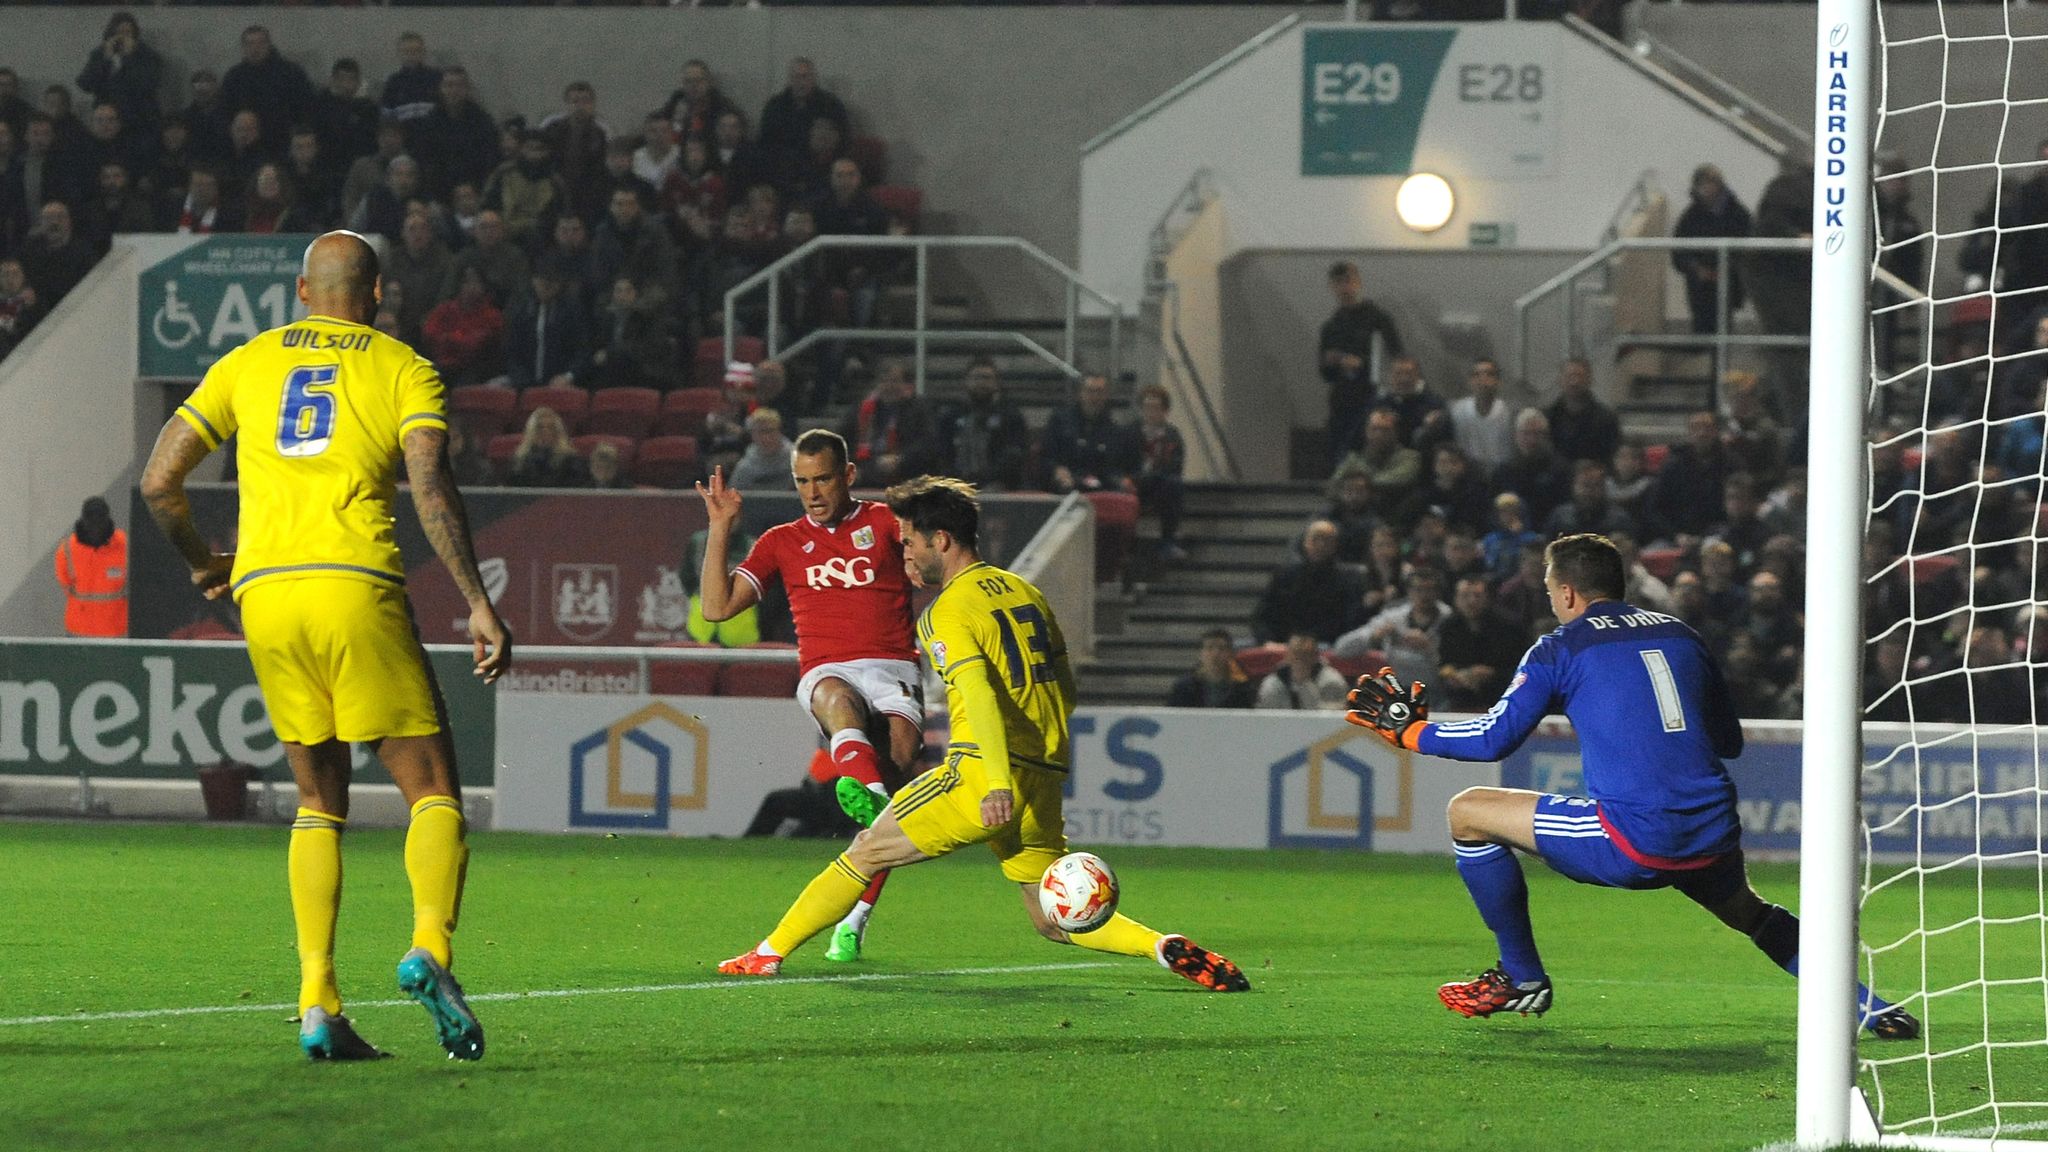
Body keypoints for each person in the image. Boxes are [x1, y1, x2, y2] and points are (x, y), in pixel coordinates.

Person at [138, 230, 510, 1062]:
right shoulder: (403, 367)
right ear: (377, 295)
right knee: (432, 785)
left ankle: (316, 1005)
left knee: (318, 798)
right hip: (353, 579)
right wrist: (479, 601)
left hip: (265, 593)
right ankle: (429, 951)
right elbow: (427, 482)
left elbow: (160, 481)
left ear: (302, 291)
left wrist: (206, 564)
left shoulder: (247, 363)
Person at [1341, 533, 1918, 1039]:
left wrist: (1411, 732)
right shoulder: (1682, 634)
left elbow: (1494, 739)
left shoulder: (1559, 647)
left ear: (1566, 593)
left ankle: (1521, 977)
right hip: (1713, 829)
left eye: (1549, 591)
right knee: (1749, 913)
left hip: (1637, 837)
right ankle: (1869, 1005)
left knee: (1467, 812)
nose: (1550, 601)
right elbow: (1729, 741)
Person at [719, 475, 1250, 992]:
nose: (902, 555)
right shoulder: (1024, 592)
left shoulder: (947, 612)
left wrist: (994, 781)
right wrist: (1044, 758)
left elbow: (977, 696)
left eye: (908, 543)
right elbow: (1062, 682)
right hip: (1039, 775)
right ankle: (1161, 946)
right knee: (1053, 918)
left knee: (865, 851)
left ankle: (766, 955)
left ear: (941, 541)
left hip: (981, 775)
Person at [695, 430, 924, 963]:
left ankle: (855, 917)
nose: (813, 492)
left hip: (895, 670)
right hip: (827, 669)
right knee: (836, 698)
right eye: (802, 482)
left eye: (823, 479)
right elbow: (716, 606)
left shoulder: (886, 524)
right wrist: (720, 527)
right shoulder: (781, 540)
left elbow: (930, 565)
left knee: (889, 812)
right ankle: (864, 782)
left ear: (847, 476)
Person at [1318, 261, 1402, 469]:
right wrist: (1335, 362)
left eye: (1347, 281)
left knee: (1370, 451)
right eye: (1338, 283)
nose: (1343, 288)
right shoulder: (1330, 326)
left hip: (1371, 394)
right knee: (1341, 453)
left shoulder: (1377, 319)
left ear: (1357, 283)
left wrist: (1361, 363)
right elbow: (1325, 373)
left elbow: (1396, 356)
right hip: (1342, 398)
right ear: (1331, 287)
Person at [1251, 519, 1364, 645]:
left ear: (1335, 545)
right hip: (1284, 644)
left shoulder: (1348, 579)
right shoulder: (1285, 575)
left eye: (1327, 540)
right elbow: (1263, 614)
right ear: (1305, 542)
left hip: (1329, 646)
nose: (1321, 545)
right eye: (1316, 539)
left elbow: (1351, 620)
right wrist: (1267, 641)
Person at [1671, 163, 1753, 335]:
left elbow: (1747, 247)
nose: (1707, 189)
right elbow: (1679, 251)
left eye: (1711, 183)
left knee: (1721, 334)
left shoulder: (1737, 214)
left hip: (1727, 283)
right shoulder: (1690, 217)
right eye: (1702, 184)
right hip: (1700, 287)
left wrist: (1728, 268)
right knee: (1702, 335)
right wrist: (1696, 268)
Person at [936, 356, 1030, 492]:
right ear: (966, 381)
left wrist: (985, 479)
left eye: (986, 378)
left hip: (1000, 487)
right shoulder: (950, 416)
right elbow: (942, 453)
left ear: (997, 383)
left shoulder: (1011, 416)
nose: (981, 383)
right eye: (976, 378)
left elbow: (1014, 456)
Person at [55, 496, 126, 638]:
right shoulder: (67, 550)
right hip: (78, 632)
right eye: (92, 521)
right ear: (84, 520)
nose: (96, 527)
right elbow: (65, 584)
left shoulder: (124, 545)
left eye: (99, 520)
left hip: (115, 632)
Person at [1544, 358, 1620, 467]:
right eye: (1569, 376)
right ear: (1560, 380)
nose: (1574, 382)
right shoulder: (1548, 417)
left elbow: (1611, 457)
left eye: (1579, 376)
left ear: (1590, 380)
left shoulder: (1606, 418)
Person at [1448, 358, 1513, 478]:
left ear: (1498, 381)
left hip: (1501, 474)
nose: (1483, 379)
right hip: (1466, 475)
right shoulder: (1457, 410)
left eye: (1489, 374)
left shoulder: (1508, 413)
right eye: (1477, 375)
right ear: (1470, 381)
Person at [1256, 630, 1348, 711]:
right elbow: (1266, 714)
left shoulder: (1332, 682)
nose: (1300, 660)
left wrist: (1304, 683)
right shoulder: (1273, 683)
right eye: (1296, 654)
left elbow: (1332, 718)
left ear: (1315, 656)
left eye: (1305, 654)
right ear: (1287, 655)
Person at [1166, 627, 1256, 709]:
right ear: (1200, 654)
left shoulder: (1242, 688)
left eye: (1221, 648)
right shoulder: (1184, 688)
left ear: (1230, 654)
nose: (1215, 654)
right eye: (1209, 648)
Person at [505, 406, 586, 489]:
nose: (545, 431)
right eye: (540, 427)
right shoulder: (519, 460)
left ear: (558, 432)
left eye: (551, 427)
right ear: (531, 432)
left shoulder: (571, 459)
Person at [728, 407, 796, 491]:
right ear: (752, 435)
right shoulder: (745, 467)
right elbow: (732, 495)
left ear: (780, 431)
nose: (766, 437)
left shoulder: (798, 460)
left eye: (770, 431)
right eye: (760, 432)